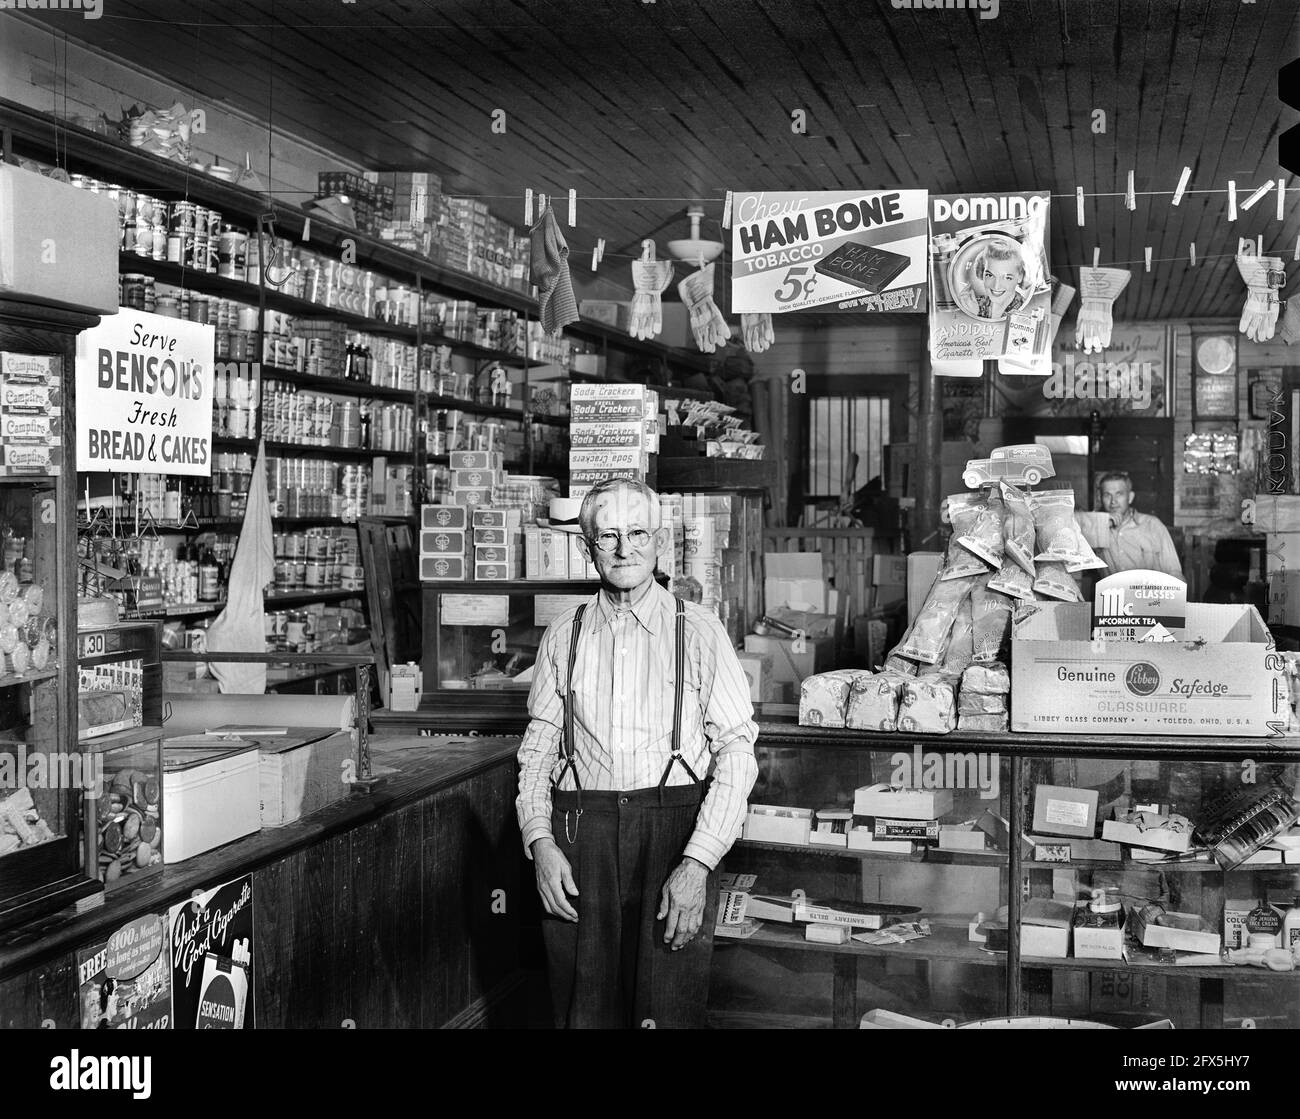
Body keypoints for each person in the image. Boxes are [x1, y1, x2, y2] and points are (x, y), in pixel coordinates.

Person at [516, 477, 758, 1029]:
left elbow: (737, 753)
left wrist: (697, 866)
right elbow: (537, 751)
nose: (624, 549)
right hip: (581, 839)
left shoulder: (698, 630)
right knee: (584, 1008)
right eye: (607, 537)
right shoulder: (565, 634)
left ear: (661, 541)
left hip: (674, 837)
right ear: (586, 546)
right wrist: (540, 842)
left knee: (665, 1009)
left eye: (638, 533)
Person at [1094, 471, 1182, 577]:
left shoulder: (1152, 525)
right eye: (1107, 495)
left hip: (1149, 591)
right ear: (1101, 498)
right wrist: (1100, 522)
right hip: (1113, 592)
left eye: (1119, 494)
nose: (1113, 501)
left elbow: (1175, 572)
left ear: (1130, 497)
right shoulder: (1095, 528)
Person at [964, 236, 1027, 320]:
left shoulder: (1026, 309)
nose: (996, 286)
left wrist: (976, 315)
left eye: (1007, 278)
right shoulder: (974, 304)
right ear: (982, 273)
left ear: (1020, 276)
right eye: (990, 275)